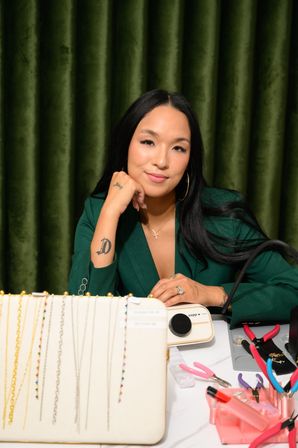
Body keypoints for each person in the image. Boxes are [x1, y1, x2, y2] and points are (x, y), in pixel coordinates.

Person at [68, 89, 298, 328]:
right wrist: (110, 212)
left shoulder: (224, 215)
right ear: (126, 144)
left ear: (190, 158)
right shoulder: (99, 212)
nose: (161, 161)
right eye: (148, 142)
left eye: (178, 148)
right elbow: (85, 315)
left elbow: (293, 289)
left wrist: (211, 294)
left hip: (211, 360)